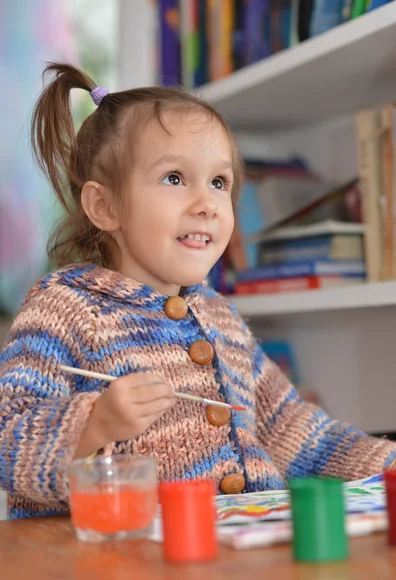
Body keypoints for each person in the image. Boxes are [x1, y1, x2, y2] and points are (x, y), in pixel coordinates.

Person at [0, 63, 394, 520]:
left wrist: (386, 463)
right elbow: (8, 438)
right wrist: (95, 423)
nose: (206, 204)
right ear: (104, 206)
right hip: (109, 557)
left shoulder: (219, 317)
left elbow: (293, 428)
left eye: (219, 182)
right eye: (174, 178)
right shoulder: (65, 307)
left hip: (233, 549)